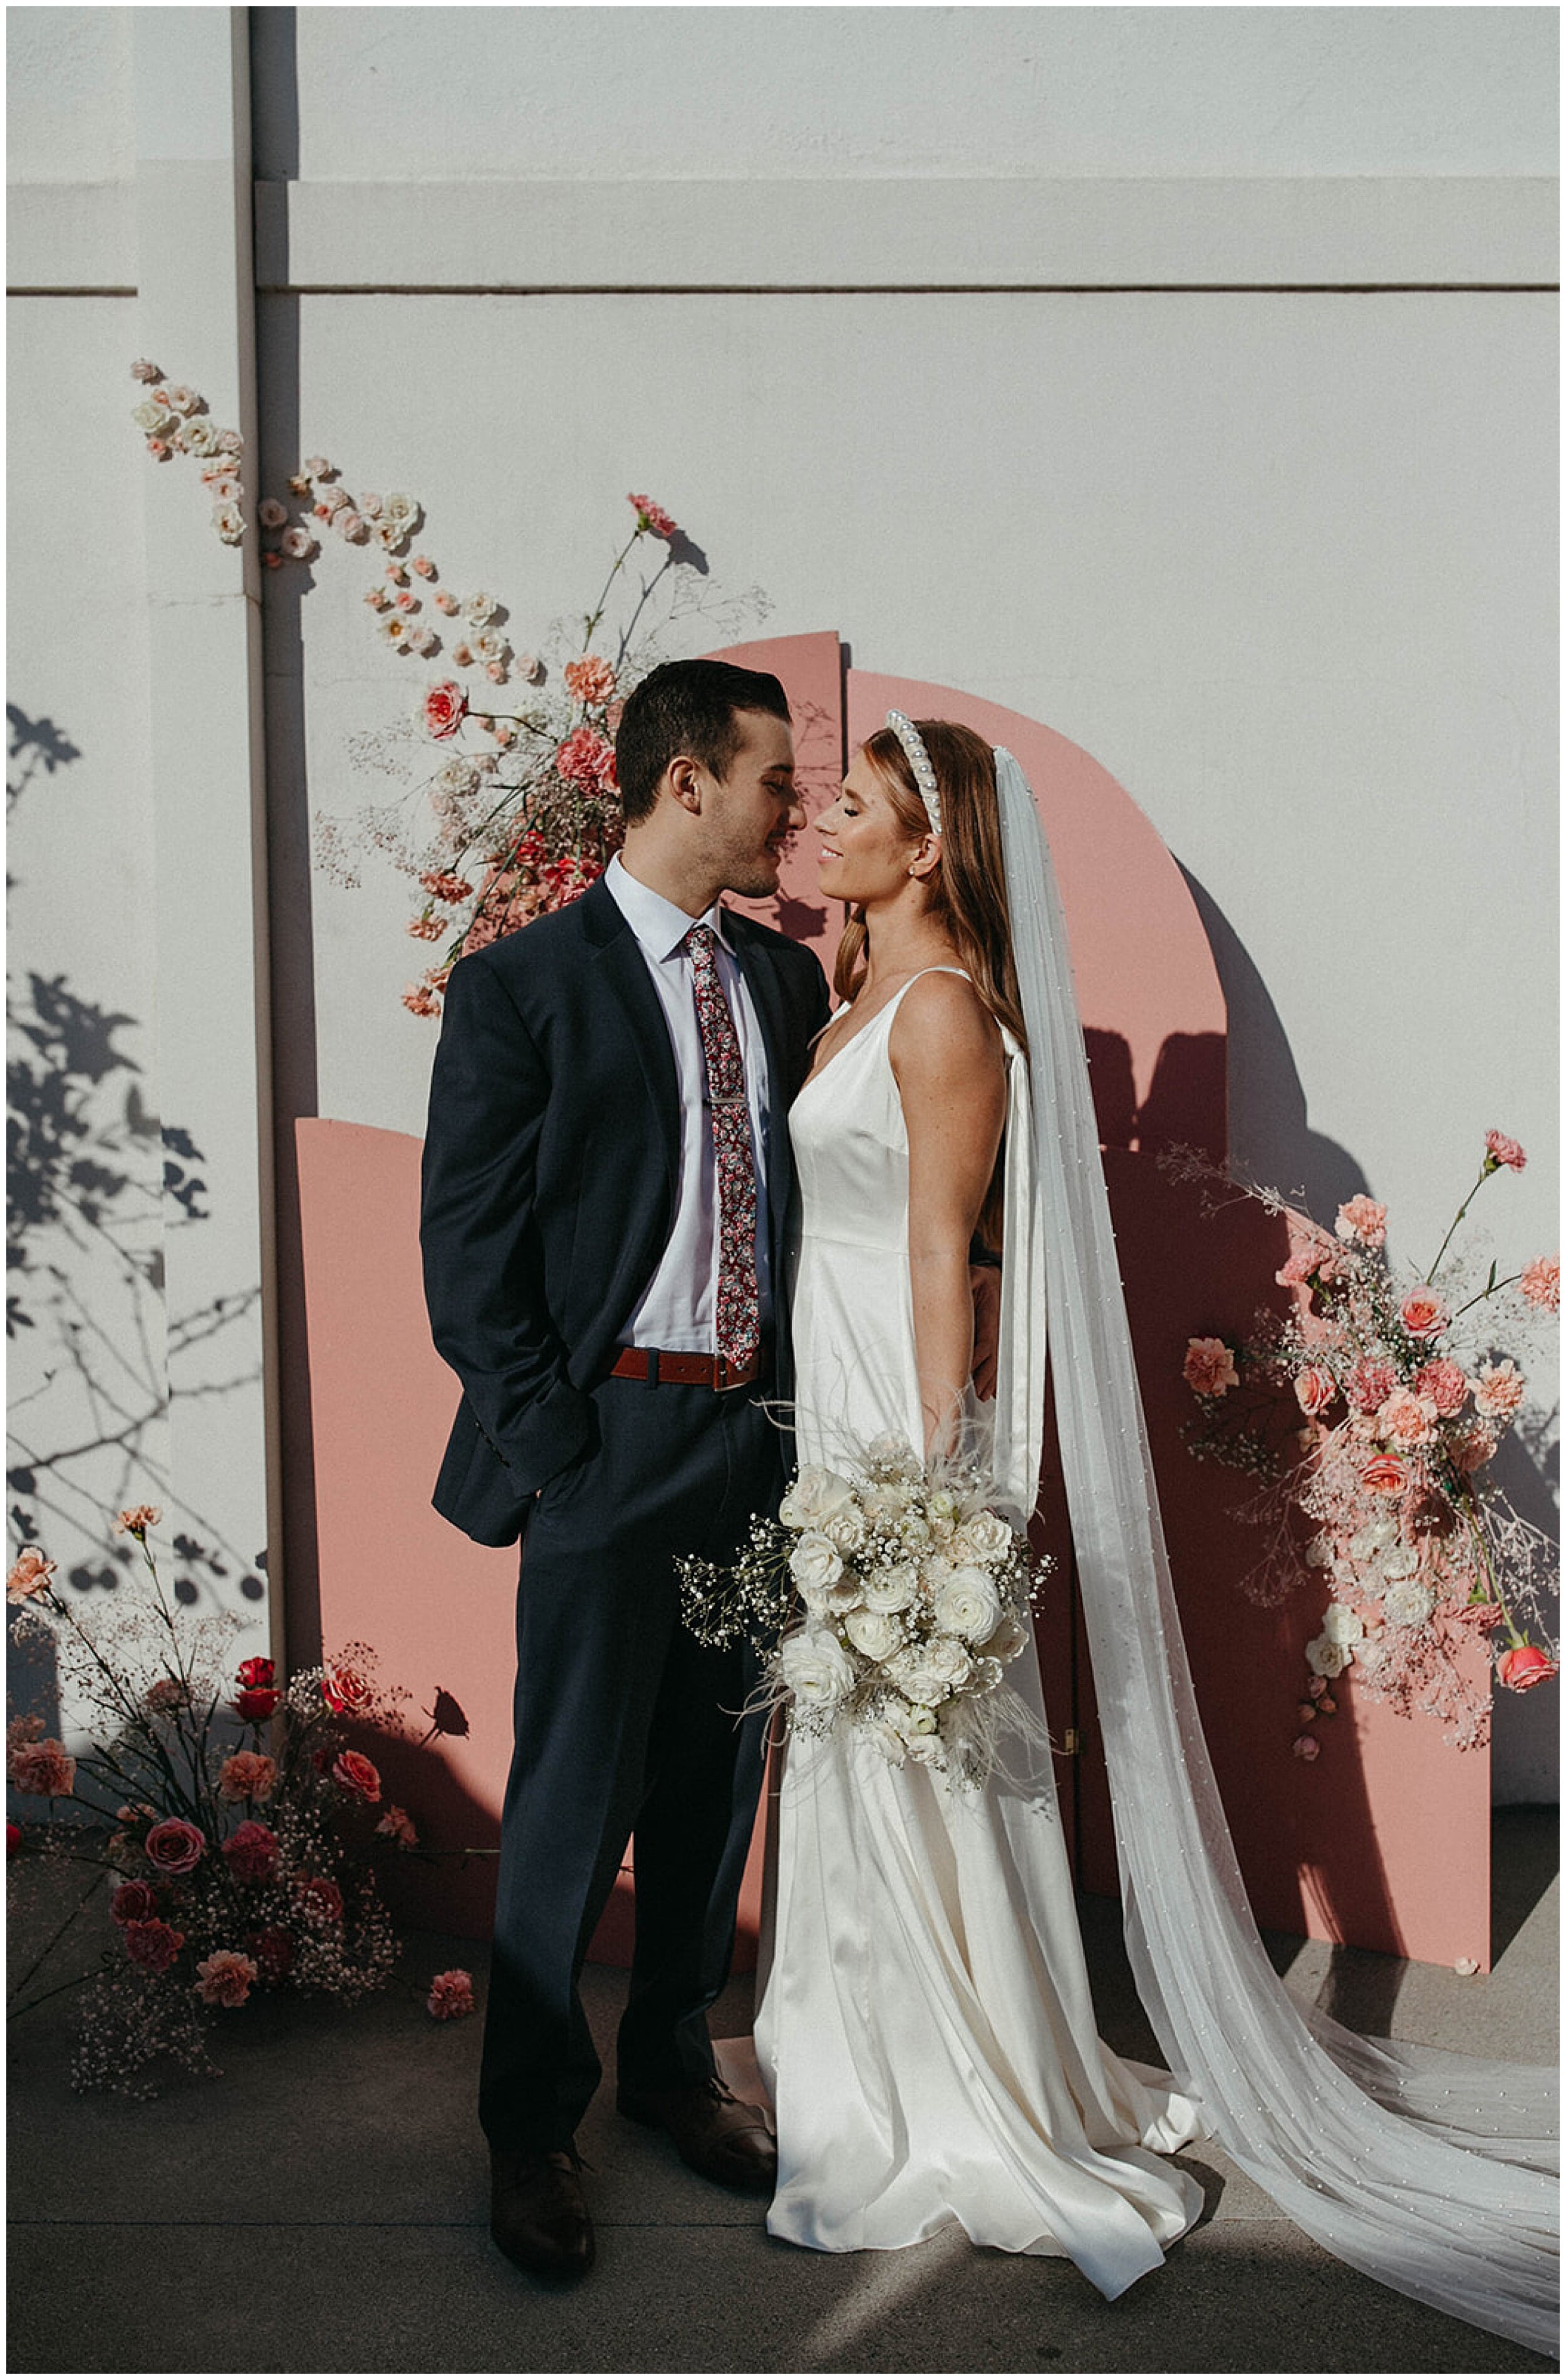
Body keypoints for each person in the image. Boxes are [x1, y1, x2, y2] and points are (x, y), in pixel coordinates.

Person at [754, 712, 1558, 2352]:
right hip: (822, 1415)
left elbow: (937, 1258)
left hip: (890, 1437)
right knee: (852, 1759)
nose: (816, 825)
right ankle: (859, 2058)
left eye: (851, 807)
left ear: (926, 848)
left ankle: (961, 2085)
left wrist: (917, 1494)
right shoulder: (847, 1000)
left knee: (920, 1753)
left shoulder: (947, 1020)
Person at [420, 657, 830, 2281]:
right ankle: (531, 2133)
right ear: (684, 783)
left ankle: (670, 2067)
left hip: (749, 1437)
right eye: (772, 782)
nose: (786, 813)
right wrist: (561, 1451)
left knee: (711, 1783)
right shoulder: (523, 987)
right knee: (574, 1802)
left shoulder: (778, 986)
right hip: (609, 1446)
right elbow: (470, 1253)